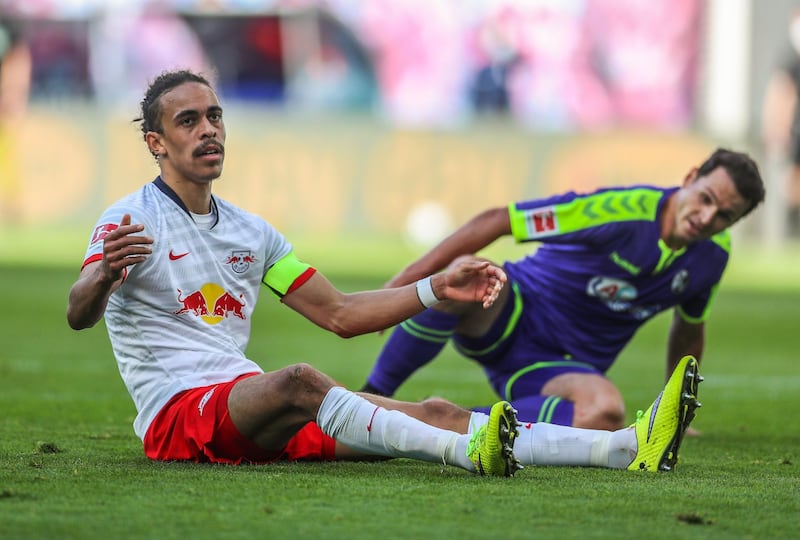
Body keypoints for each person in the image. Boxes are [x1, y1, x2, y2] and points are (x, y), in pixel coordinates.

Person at [67, 69, 699, 477]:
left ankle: (622, 449)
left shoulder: (251, 232)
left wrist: (433, 289)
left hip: (247, 411)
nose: (210, 130)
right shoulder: (130, 219)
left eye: (215, 116)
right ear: (156, 143)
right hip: (181, 419)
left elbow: (341, 314)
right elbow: (78, 311)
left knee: (438, 408)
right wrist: (100, 279)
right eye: (189, 121)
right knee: (299, 381)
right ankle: (470, 457)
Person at [361, 148, 764, 433]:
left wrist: (674, 410)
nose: (707, 217)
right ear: (690, 178)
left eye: (725, 216)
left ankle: (437, 420)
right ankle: (366, 400)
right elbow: (502, 220)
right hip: (509, 311)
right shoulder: (621, 209)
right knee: (464, 275)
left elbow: (690, 328)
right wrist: (407, 278)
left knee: (606, 412)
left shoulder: (712, 258)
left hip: (556, 369)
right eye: (705, 198)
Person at [761, 9, 800, 237]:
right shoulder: (790, 58)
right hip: (796, 133)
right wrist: (777, 128)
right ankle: (792, 232)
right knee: (793, 183)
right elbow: (781, 93)